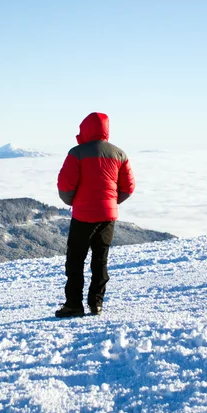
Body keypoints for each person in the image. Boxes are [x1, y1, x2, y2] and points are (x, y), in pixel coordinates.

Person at [56, 112, 135, 318]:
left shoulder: (77, 153)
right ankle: (96, 304)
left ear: (85, 129)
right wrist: (110, 203)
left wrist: (71, 202)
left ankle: (73, 304)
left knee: (75, 261)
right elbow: (128, 187)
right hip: (108, 216)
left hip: (83, 215)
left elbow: (66, 185)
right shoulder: (119, 154)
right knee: (100, 260)